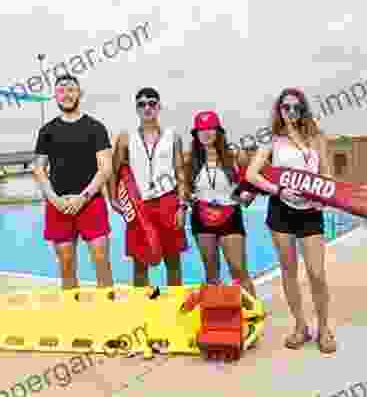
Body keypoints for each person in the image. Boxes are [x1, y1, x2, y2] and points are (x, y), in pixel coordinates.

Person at [245, 87, 336, 354]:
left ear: (304, 109)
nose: (292, 112)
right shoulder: (272, 139)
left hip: (310, 212)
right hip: (281, 210)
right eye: (286, 107)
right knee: (288, 271)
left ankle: (324, 328)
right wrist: (278, 191)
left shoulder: (317, 138)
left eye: (297, 107)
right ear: (279, 110)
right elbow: (252, 174)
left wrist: (324, 197)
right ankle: (300, 326)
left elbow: (327, 174)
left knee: (317, 274)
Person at [32, 74, 114, 290]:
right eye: (61, 90)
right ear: (55, 96)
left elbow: (105, 168)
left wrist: (84, 197)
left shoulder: (95, 127)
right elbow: (39, 168)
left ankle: (108, 313)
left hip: (91, 202)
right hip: (58, 204)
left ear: (79, 93)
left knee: (101, 260)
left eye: (71, 89)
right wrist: (53, 198)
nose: (66, 94)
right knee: (66, 264)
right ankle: (72, 313)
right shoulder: (47, 131)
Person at [109, 87, 188, 286]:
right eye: (142, 104)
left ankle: (175, 307)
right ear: (136, 109)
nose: (147, 108)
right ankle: (141, 310)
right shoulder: (126, 137)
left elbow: (180, 173)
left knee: (173, 262)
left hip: (168, 203)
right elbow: (114, 170)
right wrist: (112, 199)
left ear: (159, 107)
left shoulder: (173, 136)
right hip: (139, 205)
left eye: (152, 103)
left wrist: (182, 206)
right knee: (140, 264)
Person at [185, 110, 258, 299]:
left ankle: (252, 313)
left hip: (230, 216)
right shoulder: (190, 160)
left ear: (219, 131)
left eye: (211, 128)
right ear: (195, 134)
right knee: (211, 275)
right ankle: (217, 316)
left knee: (238, 270)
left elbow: (253, 182)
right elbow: (184, 190)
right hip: (201, 218)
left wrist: (247, 197)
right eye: (201, 130)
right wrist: (187, 200)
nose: (206, 133)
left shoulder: (235, 155)